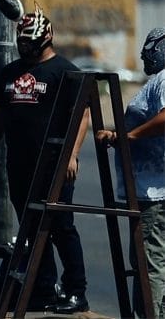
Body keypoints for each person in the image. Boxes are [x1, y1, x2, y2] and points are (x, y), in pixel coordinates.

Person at [0, 6, 90, 313]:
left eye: (31, 45)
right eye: (23, 45)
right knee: (30, 228)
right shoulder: (10, 74)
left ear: (46, 39)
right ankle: (43, 289)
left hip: (55, 166)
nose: (26, 51)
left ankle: (75, 290)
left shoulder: (64, 72)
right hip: (19, 166)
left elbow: (82, 113)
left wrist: (72, 154)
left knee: (60, 227)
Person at [96, 27, 165, 318]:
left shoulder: (164, 80)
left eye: (150, 47)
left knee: (149, 266)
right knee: (144, 264)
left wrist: (129, 137)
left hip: (154, 193)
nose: (143, 54)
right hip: (146, 191)